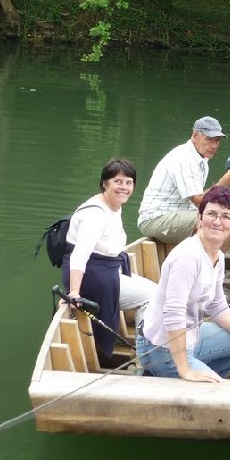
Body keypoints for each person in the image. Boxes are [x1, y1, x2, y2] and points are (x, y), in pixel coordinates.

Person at [136, 186, 230, 382]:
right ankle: (184, 375)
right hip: (162, 349)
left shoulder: (217, 257)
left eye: (226, 216)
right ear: (200, 218)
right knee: (219, 390)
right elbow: (173, 312)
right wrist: (185, 369)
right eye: (211, 213)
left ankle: (200, 379)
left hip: (190, 338)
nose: (217, 222)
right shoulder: (188, 256)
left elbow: (218, 307)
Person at [63, 157, 157, 369]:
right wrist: (74, 293)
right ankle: (146, 356)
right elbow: (79, 255)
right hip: (92, 277)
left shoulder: (113, 206)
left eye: (129, 182)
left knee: (155, 291)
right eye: (118, 181)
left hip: (107, 270)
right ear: (105, 183)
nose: (124, 187)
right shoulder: (95, 214)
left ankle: (147, 347)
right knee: (154, 297)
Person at [137, 116, 230, 244]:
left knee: (226, 219)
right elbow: (200, 201)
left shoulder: (201, 159)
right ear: (194, 136)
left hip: (176, 215)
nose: (214, 146)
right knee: (215, 221)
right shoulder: (184, 158)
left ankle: (212, 260)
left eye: (217, 141)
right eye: (209, 139)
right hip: (155, 218)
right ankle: (211, 262)